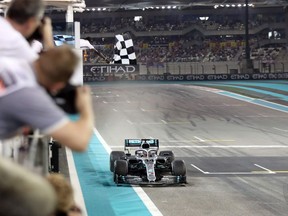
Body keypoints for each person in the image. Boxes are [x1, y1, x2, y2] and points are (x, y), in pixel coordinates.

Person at [0, 45, 94, 152]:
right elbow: (80, 142)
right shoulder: (31, 96)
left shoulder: (10, 61)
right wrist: (85, 106)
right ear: (58, 85)